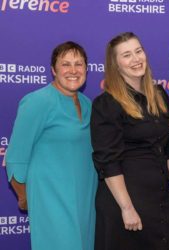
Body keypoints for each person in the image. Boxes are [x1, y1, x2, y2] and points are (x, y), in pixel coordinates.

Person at [90, 32, 169, 250]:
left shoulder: (159, 94)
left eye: (138, 51)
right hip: (126, 201)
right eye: (127, 55)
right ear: (116, 65)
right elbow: (108, 161)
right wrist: (126, 207)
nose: (136, 59)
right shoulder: (106, 104)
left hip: (159, 198)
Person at [6, 41, 97, 250]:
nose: (73, 70)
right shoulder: (37, 101)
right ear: (53, 70)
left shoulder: (88, 104)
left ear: (86, 68)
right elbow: (16, 157)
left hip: (86, 198)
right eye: (65, 64)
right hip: (50, 199)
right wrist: (24, 196)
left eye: (79, 64)